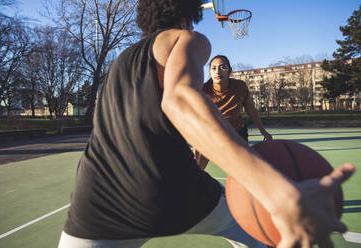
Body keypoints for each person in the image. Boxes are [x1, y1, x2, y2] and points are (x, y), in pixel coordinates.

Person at [58, 0, 355, 248]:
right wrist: (274, 190)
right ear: (191, 11)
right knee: (259, 234)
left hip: (96, 200)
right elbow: (178, 101)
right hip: (173, 192)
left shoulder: (119, 62)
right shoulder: (185, 39)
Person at [194, 55, 272, 169]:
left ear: (229, 71)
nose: (218, 71)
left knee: (245, 169)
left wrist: (263, 131)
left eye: (222, 67)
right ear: (209, 73)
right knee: (196, 169)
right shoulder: (202, 90)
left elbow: (251, 110)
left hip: (235, 133)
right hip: (210, 133)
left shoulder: (240, 87)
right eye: (213, 68)